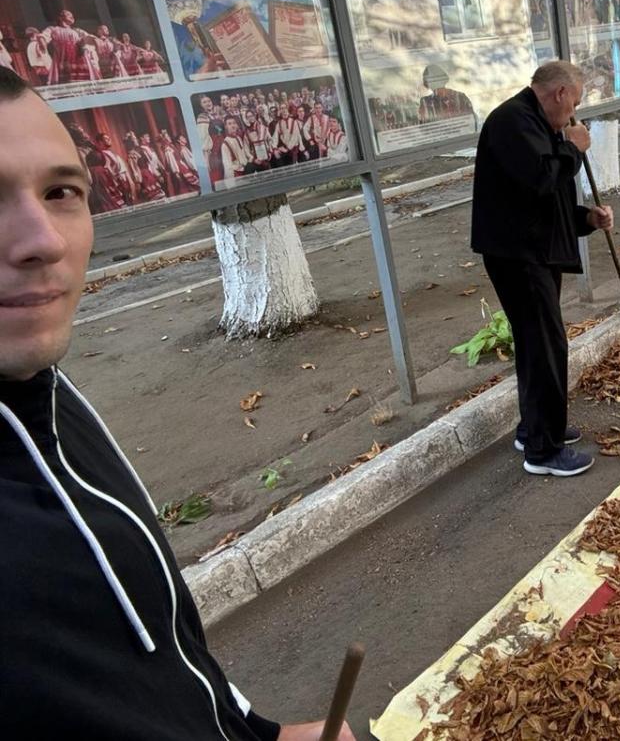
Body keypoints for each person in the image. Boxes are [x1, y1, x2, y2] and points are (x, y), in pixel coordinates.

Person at [0, 66, 354, 740]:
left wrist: (262, 732)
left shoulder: (44, 390)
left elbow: (158, 654)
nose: (44, 240)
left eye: (61, 192)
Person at [470, 61, 613, 478]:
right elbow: (540, 179)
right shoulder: (512, 122)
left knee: (537, 347)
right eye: (575, 104)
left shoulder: (536, 122)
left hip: (533, 249)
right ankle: (543, 452)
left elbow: (544, 201)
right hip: (518, 256)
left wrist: (586, 218)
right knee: (547, 347)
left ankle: (536, 428)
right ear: (560, 94)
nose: (573, 116)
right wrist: (575, 147)